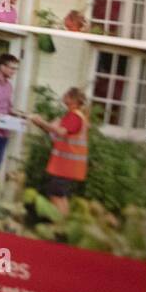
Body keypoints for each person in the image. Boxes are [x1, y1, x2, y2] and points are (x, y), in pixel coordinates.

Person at [29, 87, 89, 216]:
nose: (63, 95)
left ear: (72, 99)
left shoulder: (74, 116)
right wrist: (39, 123)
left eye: (66, 94)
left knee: (55, 194)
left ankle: (61, 225)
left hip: (67, 166)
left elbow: (60, 131)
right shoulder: (72, 115)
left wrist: (42, 122)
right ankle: (63, 226)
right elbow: (54, 133)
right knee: (59, 194)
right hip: (66, 166)